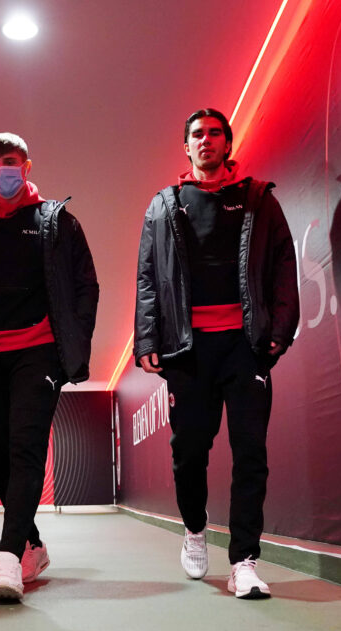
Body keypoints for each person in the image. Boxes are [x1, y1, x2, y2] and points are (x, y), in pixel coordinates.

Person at [134, 109, 298, 599]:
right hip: (188, 350)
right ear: (185, 147)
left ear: (227, 143)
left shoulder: (258, 199)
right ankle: (194, 527)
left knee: (250, 451)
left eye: (214, 133)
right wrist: (147, 338)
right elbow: (148, 275)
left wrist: (281, 328)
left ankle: (244, 561)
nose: (205, 140)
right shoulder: (164, 205)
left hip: (244, 347)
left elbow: (283, 265)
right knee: (189, 452)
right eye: (197, 135)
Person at [0, 133, 99, 601]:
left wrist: (71, 345)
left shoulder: (58, 222)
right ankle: (32, 544)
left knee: (26, 448)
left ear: (26, 167)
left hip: (39, 352)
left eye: (8, 161)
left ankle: (7, 559)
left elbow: (86, 286)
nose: (0, 170)